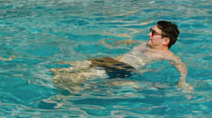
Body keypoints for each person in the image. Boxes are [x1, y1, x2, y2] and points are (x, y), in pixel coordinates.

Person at [51, 21, 191, 92]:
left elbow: (181, 66)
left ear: (165, 40)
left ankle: (65, 97)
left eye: (153, 33)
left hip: (122, 69)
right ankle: (63, 86)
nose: (149, 34)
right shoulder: (145, 44)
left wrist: (182, 82)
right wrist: (113, 43)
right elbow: (129, 42)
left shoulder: (166, 55)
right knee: (62, 68)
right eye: (150, 31)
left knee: (77, 77)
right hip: (111, 61)